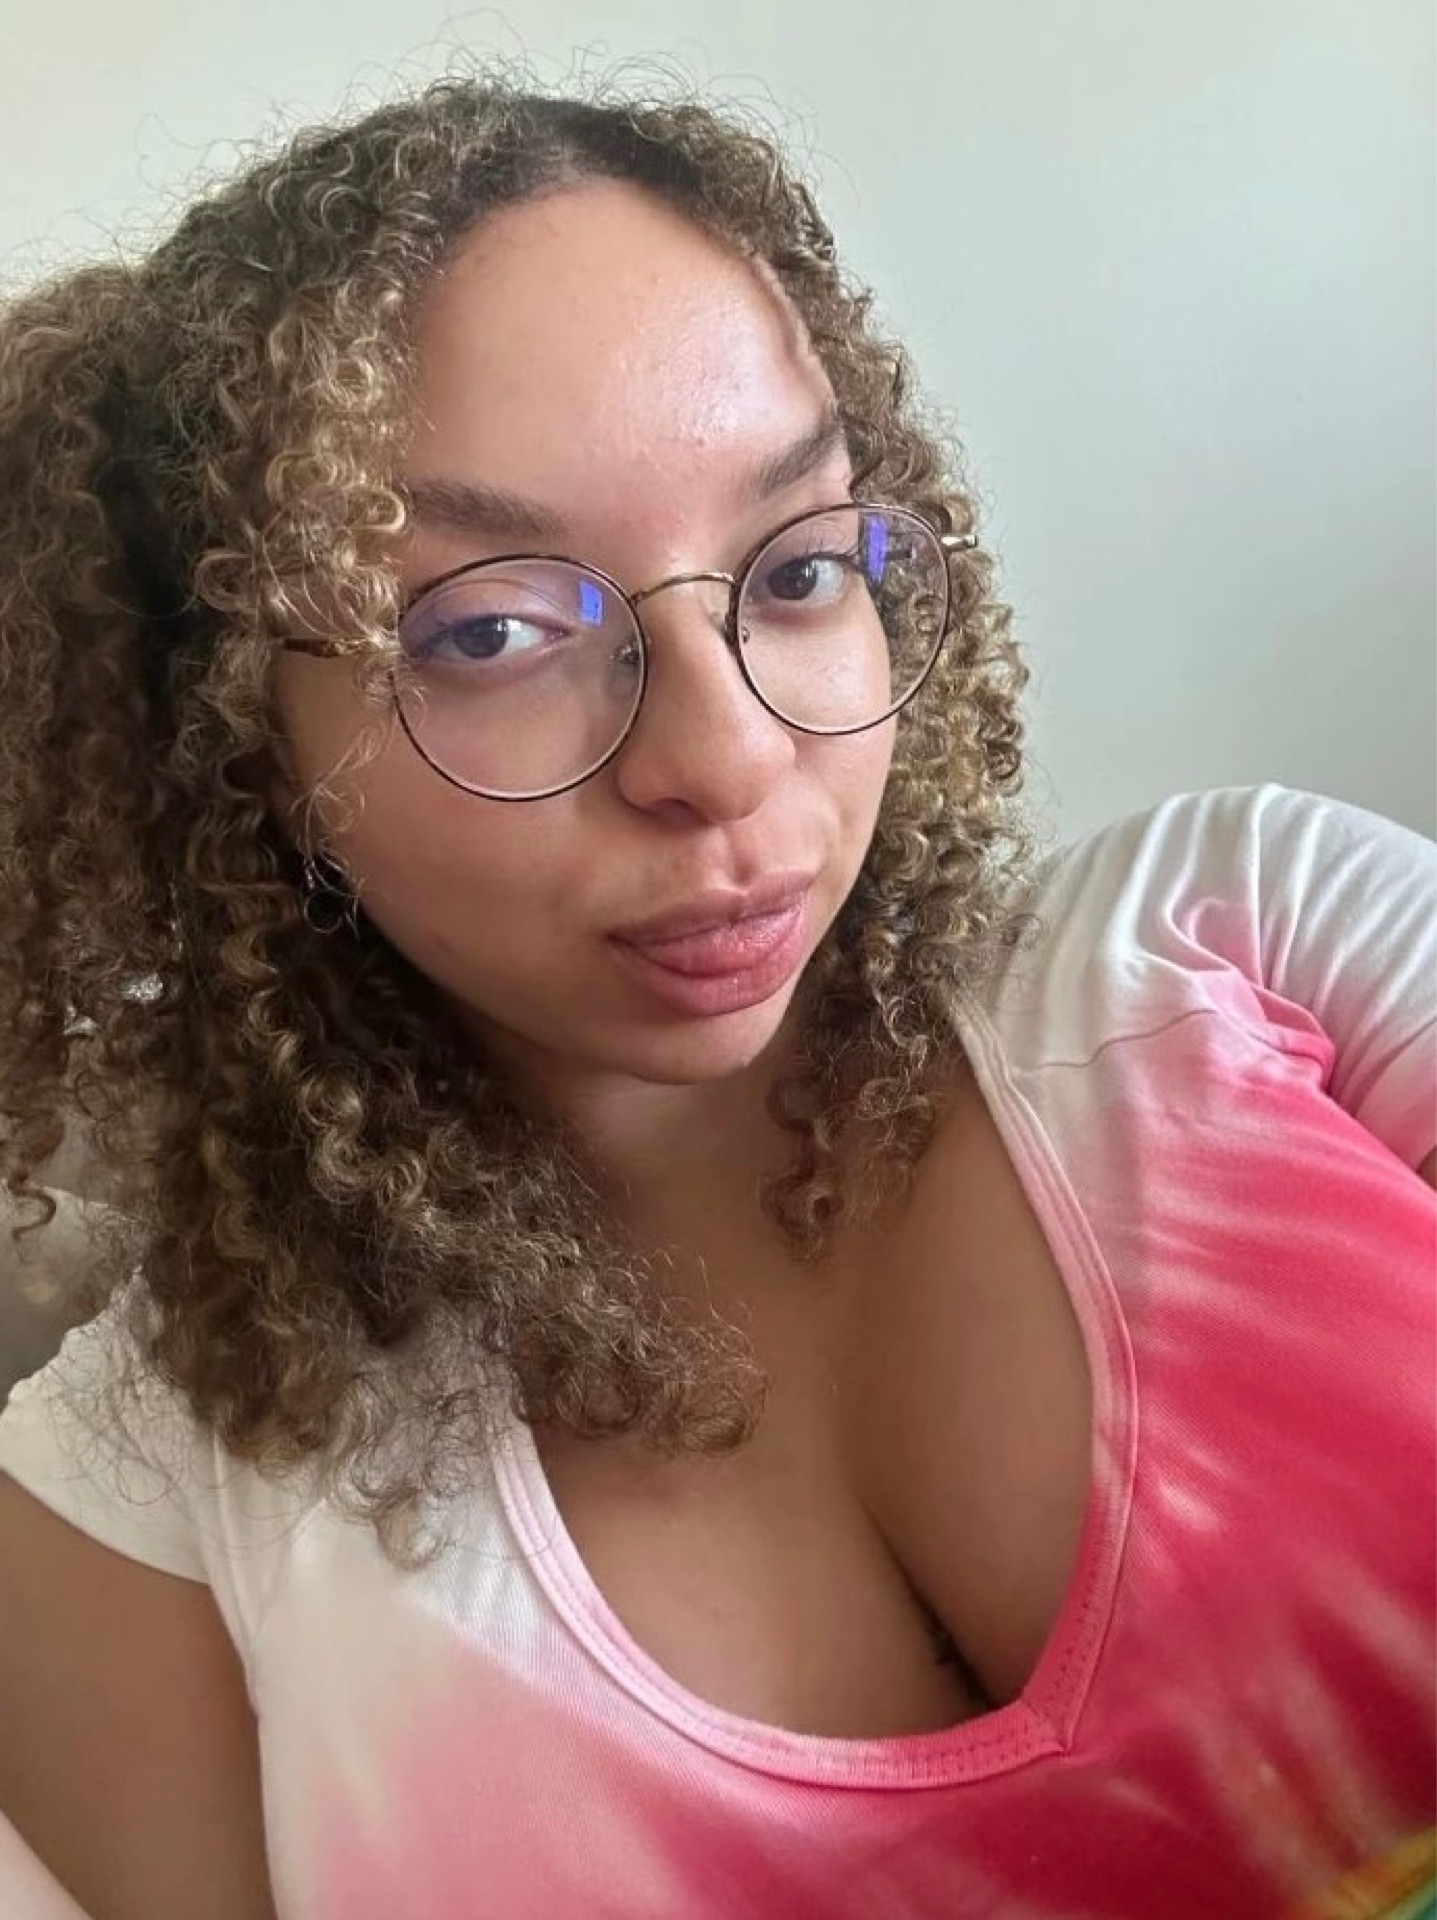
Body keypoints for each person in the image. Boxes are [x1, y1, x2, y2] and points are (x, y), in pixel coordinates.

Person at [0, 73, 1431, 1920]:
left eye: (799, 567)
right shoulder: (136, 1510)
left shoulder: (1247, 944)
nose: (727, 755)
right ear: (224, 737)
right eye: (489, 631)